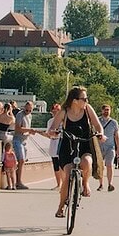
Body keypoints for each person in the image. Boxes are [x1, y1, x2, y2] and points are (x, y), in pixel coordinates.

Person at [47, 86, 104, 218]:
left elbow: (97, 124)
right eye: (84, 98)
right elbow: (53, 127)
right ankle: (61, 207)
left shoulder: (87, 109)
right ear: (74, 100)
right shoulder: (64, 112)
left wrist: (100, 133)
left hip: (84, 143)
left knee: (87, 162)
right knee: (67, 175)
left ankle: (85, 183)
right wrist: (53, 132)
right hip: (68, 146)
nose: (86, 101)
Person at [97, 104, 119, 192]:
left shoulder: (114, 122)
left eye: (108, 110)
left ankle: (110, 184)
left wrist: (118, 148)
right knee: (100, 166)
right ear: (102, 111)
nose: (106, 111)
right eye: (105, 110)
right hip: (99, 147)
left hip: (110, 147)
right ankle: (101, 184)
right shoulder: (98, 121)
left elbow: (117, 135)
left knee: (109, 165)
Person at [12, 100, 36, 189]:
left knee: (22, 162)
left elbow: (27, 129)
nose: (28, 112)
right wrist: (29, 130)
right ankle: (18, 182)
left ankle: (18, 181)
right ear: (24, 108)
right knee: (21, 160)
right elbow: (18, 128)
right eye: (27, 110)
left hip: (24, 140)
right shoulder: (20, 115)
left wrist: (30, 132)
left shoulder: (30, 116)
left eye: (30, 110)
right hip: (18, 139)